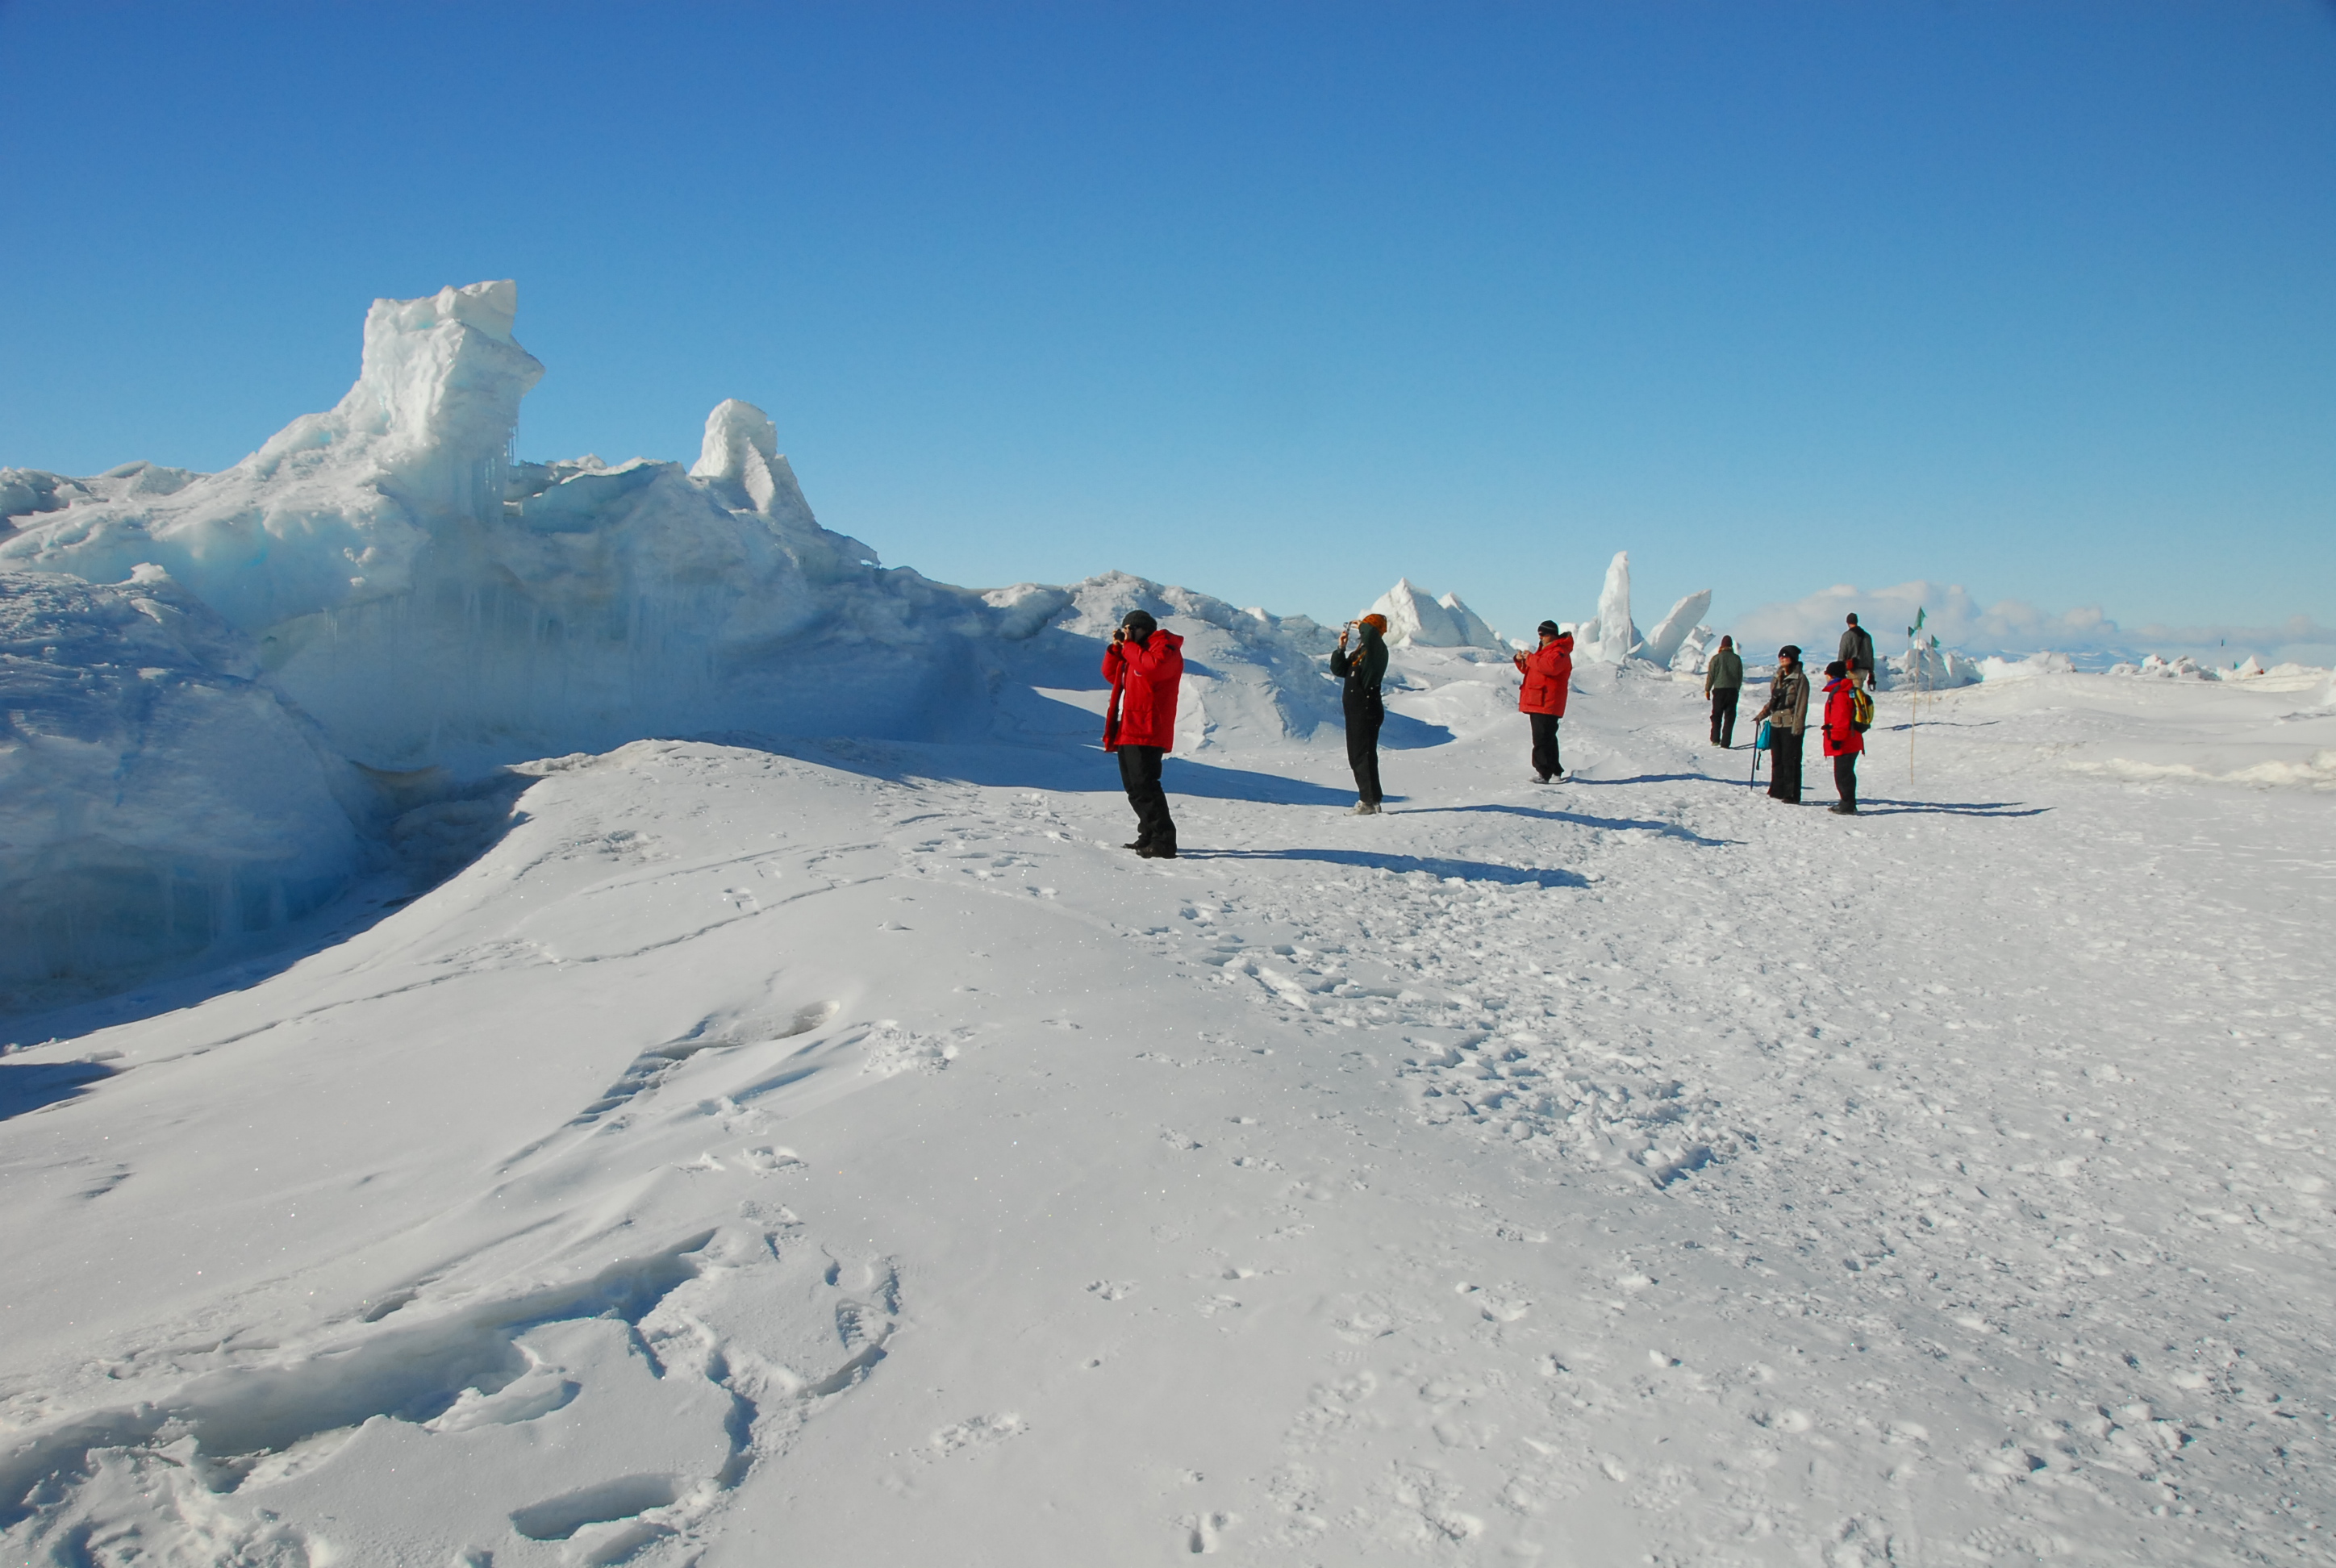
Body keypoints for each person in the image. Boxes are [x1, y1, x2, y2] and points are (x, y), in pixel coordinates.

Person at [1102, 609, 1185, 857]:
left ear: (1142, 628)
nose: (1126, 631)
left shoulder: (1164, 648)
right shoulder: (1137, 652)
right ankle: (1148, 834)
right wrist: (1116, 649)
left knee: (1146, 785)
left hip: (1149, 728)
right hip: (1129, 728)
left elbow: (1154, 668)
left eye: (1130, 628)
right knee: (1134, 787)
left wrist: (1129, 647)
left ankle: (1164, 841)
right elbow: (1110, 675)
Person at [1331, 612, 1390, 813]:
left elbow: (1372, 635)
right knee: (1361, 755)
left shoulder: (1377, 649)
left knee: (1361, 755)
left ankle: (1368, 802)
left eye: (1366, 626)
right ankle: (1372, 800)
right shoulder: (1361, 651)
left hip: (1366, 708)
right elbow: (1339, 670)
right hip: (1357, 711)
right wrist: (1341, 647)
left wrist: (1362, 624)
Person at [1512, 620, 1573, 782]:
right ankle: (1554, 772)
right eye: (1539, 634)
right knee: (1546, 738)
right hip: (1539, 701)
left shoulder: (1559, 652)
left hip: (1547, 701)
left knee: (1542, 738)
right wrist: (1521, 660)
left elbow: (1550, 668)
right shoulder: (1544, 651)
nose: (1541, 637)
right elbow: (1532, 669)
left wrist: (1531, 658)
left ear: (1552, 634)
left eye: (1543, 634)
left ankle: (1545, 773)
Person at [1749, 644, 1809, 803]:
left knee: (1790, 760)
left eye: (1786, 656)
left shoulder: (1800, 679)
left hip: (1790, 723)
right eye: (1780, 656)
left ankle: (1791, 794)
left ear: (1793, 659)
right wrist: (1761, 715)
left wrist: (1798, 725)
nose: (1782, 659)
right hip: (1776, 722)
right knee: (1777, 759)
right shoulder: (1777, 677)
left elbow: (1801, 704)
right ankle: (1777, 789)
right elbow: (1773, 701)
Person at [1820, 657, 1863, 815]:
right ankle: (1847, 802)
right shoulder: (1847, 690)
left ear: (1831, 675)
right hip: (1852, 738)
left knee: (1843, 774)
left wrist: (1836, 739)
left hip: (1845, 740)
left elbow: (1840, 719)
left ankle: (1847, 804)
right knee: (1846, 773)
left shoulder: (1840, 693)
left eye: (1827, 673)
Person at [1704, 634, 1742, 748]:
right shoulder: (1736, 659)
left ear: (1721, 646)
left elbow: (1711, 675)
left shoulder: (1716, 658)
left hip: (1719, 691)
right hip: (1732, 691)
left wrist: (1707, 689)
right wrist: (1737, 689)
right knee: (1729, 717)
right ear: (1731, 646)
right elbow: (1740, 676)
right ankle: (1726, 742)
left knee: (1717, 715)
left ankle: (1715, 739)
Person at [1838, 614, 1876, 690]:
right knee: (1858, 691)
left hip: (1853, 670)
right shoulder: (1867, 636)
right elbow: (1870, 654)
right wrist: (1871, 672)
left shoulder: (1847, 636)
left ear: (1847, 622)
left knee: (1854, 695)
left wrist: (1839, 669)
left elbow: (1843, 653)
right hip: (1865, 670)